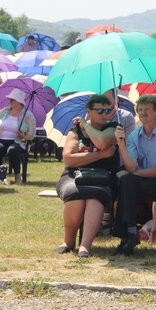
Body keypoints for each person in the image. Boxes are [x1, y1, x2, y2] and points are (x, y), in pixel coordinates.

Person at [112, 94, 156, 256]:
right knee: (125, 181)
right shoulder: (134, 136)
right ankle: (130, 232)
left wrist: (136, 174)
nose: (143, 113)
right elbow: (131, 166)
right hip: (142, 182)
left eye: (147, 110)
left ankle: (127, 235)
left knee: (126, 182)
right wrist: (121, 144)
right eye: (140, 110)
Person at [55, 94, 118, 258]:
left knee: (95, 195)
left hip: (103, 177)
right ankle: (68, 241)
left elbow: (102, 142)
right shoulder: (74, 132)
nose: (105, 114)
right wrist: (100, 156)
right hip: (74, 175)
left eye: (107, 110)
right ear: (89, 111)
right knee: (74, 193)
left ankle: (85, 245)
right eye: (100, 110)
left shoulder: (113, 127)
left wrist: (85, 125)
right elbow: (68, 159)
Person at [0, 88, 36, 185]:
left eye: (12, 100)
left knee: (12, 150)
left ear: (19, 102)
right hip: (1, 140)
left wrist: (23, 136)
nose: (9, 101)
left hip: (18, 142)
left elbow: (32, 136)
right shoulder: (4, 111)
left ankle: (18, 176)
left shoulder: (28, 116)